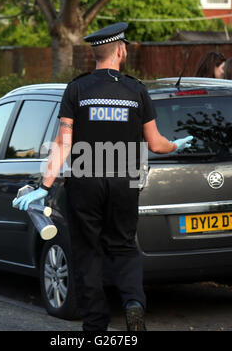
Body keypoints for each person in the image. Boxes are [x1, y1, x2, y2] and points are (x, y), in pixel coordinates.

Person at [12, 22, 193, 331]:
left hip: (85, 183)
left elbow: (63, 143)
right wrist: (176, 144)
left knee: (87, 252)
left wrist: (45, 185)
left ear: (94, 54)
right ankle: (133, 302)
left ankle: (95, 327)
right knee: (123, 246)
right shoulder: (136, 90)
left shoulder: (77, 89)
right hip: (125, 181)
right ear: (120, 50)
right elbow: (156, 143)